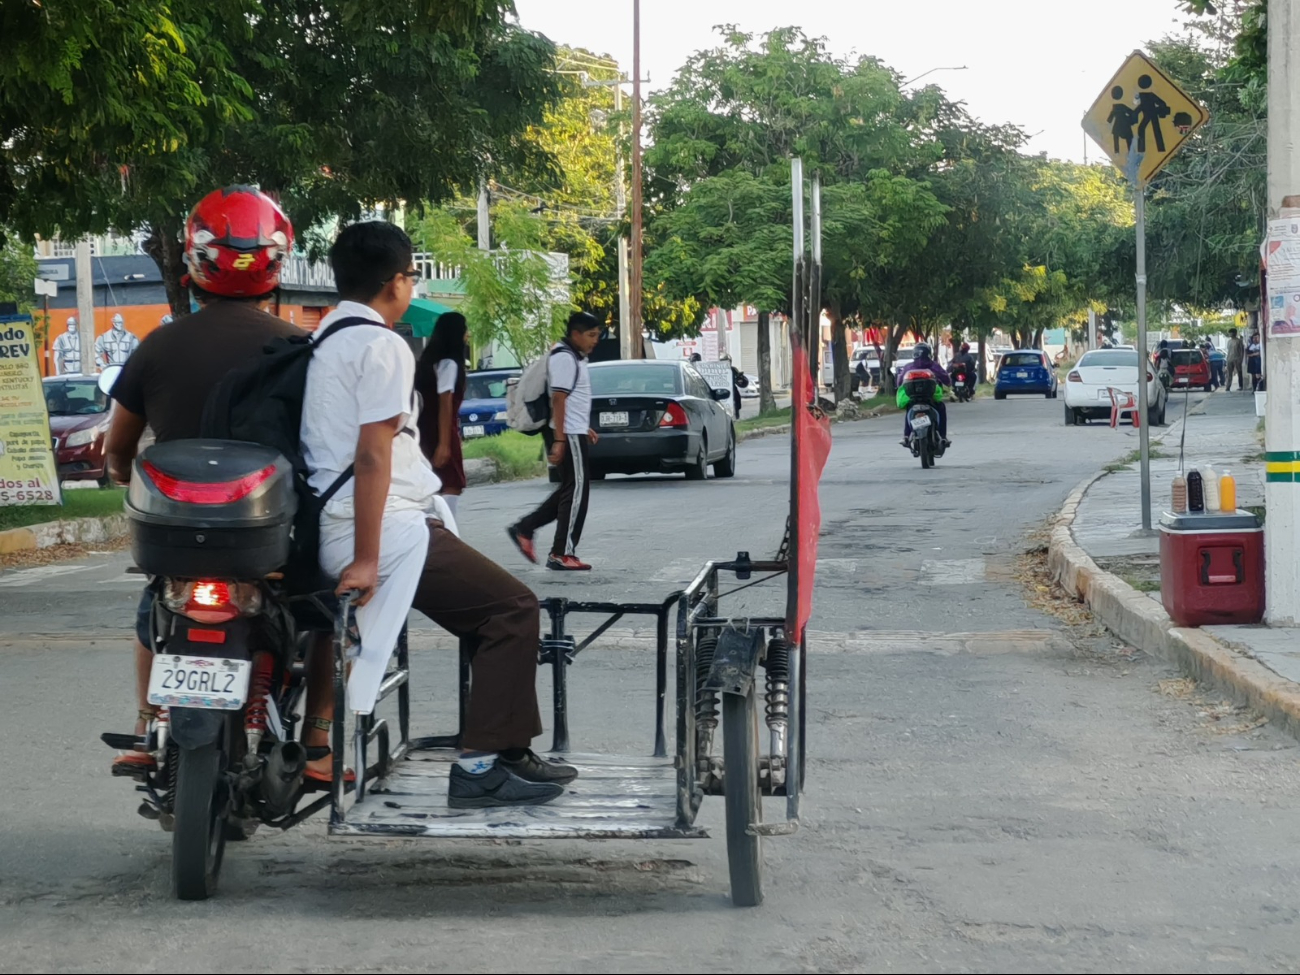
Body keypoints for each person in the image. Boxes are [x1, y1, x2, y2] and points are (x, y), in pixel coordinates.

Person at [302, 220, 573, 807]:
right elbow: (372, 456)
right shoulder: (382, 346)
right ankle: (480, 769)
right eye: (409, 276)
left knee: (488, 612)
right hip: (377, 529)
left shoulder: (325, 338)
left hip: (351, 519)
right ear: (397, 282)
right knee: (513, 609)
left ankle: (504, 749)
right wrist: (369, 560)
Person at [104, 186, 307, 775]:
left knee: (155, 612)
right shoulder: (299, 348)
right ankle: (317, 735)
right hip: (267, 536)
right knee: (319, 615)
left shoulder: (159, 344)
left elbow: (119, 452)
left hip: (177, 535)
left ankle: (146, 725)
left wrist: (123, 474)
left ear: (194, 263)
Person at [507, 312, 603, 571]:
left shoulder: (572, 356)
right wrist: (560, 439)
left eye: (597, 335)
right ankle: (561, 553)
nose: (595, 341)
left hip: (572, 430)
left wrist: (584, 427)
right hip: (566, 433)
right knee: (577, 490)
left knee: (571, 490)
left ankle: (525, 528)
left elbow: (571, 399)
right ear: (575, 334)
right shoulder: (564, 357)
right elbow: (558, 399)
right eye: (591, 335)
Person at [414, 312, 469, 520]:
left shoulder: (428, 364)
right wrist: (445, 444)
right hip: (442, 430)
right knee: (451, 483)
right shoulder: (449, 364)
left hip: (425, 430)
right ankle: (446, 531)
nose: (467, 334)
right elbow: (445, 403)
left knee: (435, 483)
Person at [898, 342, 951, 445]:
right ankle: (943, 436)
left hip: (913, 400)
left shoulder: (909, 367)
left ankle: (906, 436)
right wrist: (947, 384)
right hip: (931, 399)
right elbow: (946, 379)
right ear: (928, 354)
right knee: (941, 407)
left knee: (909, 409)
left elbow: (899, 382)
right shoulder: (933, 366)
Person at [1225, 328, 1246, 392]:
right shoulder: (1229, 341)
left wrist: (1241, 359)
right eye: (1229, 333)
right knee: (1229, 373)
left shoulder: (1239, 341)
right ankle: (1228, 386)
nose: (1230, 334)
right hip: (1229, 359)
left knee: (1239, 373)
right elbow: (1228, 351)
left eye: (1231, 332)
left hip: (1237, 358)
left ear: (1235, 333)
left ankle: (1241, 386)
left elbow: (1242, 351)